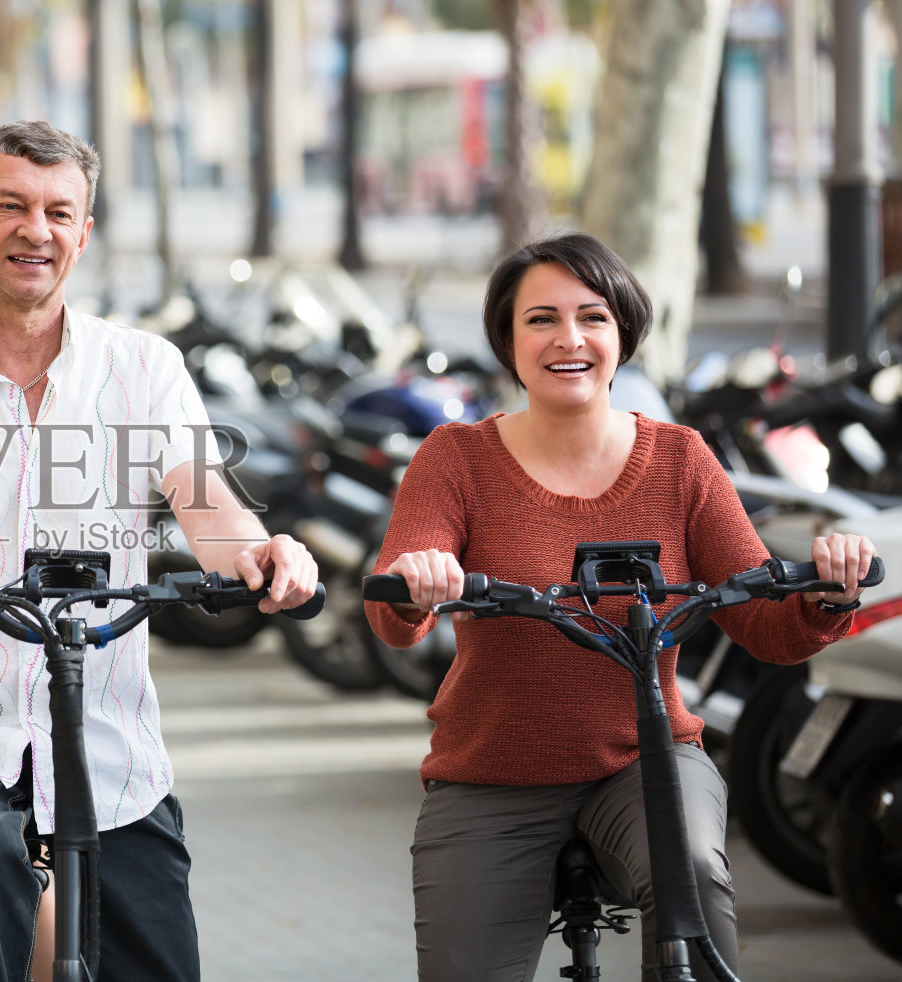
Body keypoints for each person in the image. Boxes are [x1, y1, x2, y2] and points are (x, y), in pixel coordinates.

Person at [0, 120, 319, 982]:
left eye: (57, 212)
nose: (34, 230)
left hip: (111, 743)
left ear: (83, 231)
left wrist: (270, 560)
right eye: (10, 206)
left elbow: (214, 515)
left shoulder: (144, 369)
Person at [363, 232, 877, 982]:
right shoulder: (456, 458)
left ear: (622, 334)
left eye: (592, 317)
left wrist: (829, 596)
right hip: (491, 771)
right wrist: (419, 580)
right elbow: (392, 615)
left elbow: (766, 630)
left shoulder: (681, 460)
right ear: (509, 341)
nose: (568, 339)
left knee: (694, 880)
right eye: (541, 319)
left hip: (648, 762)